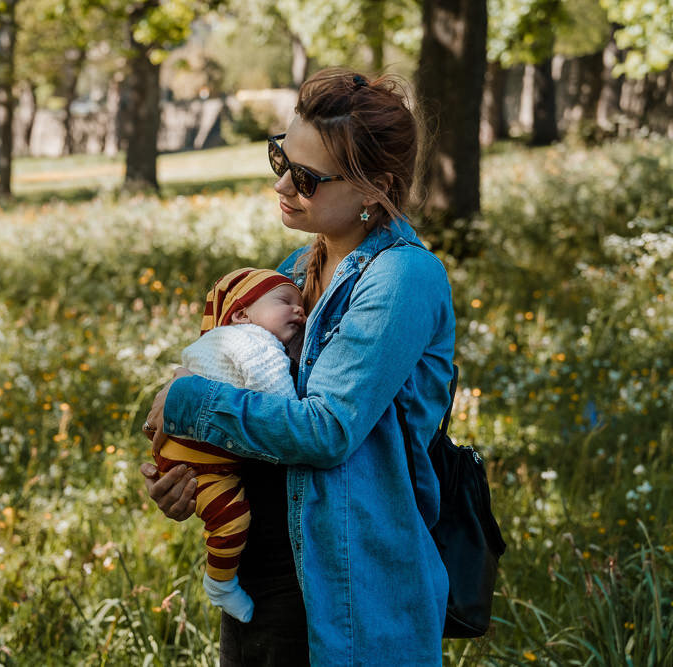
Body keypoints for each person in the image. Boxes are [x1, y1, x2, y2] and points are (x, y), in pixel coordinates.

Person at [140, 68, 455, 665]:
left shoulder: (403, 279)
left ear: (373, 189)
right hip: (267, 577)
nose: (283, 184)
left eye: (306, 178)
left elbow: (326, 429)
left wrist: (186, 403)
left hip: (351, 592)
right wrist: (185, 470)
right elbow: (246, 395)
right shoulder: (293, 271)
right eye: (279, 157)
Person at [152, 267, 305, 623]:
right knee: (230, 521)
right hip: (202, 460)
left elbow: (181, 377)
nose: (299, 310)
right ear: (241, 314)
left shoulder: (222, 339)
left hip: (188, 453)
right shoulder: (255, 343)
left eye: (300, 305)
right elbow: (283, 406)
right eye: (285, 302)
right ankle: (219, 583)